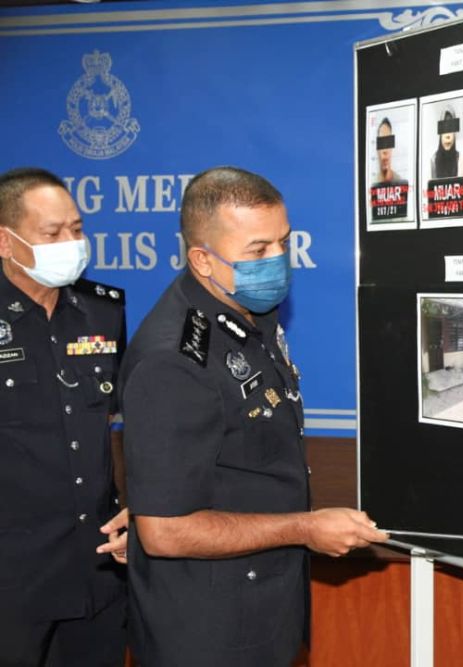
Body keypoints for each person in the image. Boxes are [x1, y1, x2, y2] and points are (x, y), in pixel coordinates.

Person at [119, 166, 387, 666]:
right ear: (202, 259)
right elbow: (166, 531)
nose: (279, 261)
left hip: (264, 607)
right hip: (208, 631)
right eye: (258, 251)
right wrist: (304, 529)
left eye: (284, 242)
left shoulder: (248, 314)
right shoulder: (173, 360)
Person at [0, 167, 128, 666]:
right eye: (51, 234)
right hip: (13, 575)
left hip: (97, 565)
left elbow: (122, 426)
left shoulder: (103, 310)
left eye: (76, 229)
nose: (70, 243)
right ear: (6, 242)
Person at [429, 107, 463, 179]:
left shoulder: (460, 160)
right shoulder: (433, 161)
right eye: (444, 129)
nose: (448, 136)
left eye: (451, 129)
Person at [372, 117, 408, 189]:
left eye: (388, 142)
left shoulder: (400, 183)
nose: (385, 150)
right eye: (381, 143)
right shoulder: (371, 185)